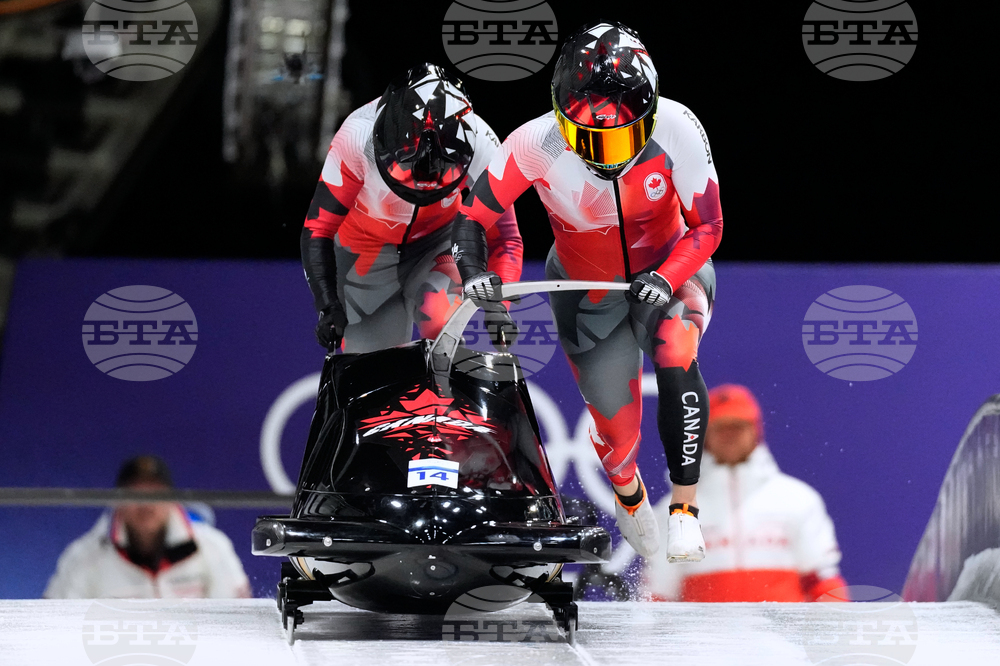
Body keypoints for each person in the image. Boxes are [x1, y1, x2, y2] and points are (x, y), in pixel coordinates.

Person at [451, 21, 721, 563]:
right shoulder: (535, 142)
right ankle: (629, 495)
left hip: (671, 272)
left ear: (647, 117)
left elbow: (708, 228)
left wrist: (666, 277)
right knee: (617, 437)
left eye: (620, 137)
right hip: (587, 292)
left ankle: (686, 511)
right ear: (560, 118)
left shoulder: (679, 128)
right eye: (587, 137)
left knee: (676, 349)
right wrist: (474, 269)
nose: (604, 152)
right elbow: (470, 218)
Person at [302, 62, 522, 354]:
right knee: (376, 369)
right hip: (364, 252)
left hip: (439, 244)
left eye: (437, 178)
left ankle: (449, 389)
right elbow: (318, 229)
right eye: (409, 175)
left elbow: (504, 235)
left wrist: (498, 306)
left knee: (440, 320)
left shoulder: (484, 143)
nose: (422, 188)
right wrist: (327, 305)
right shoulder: (355, 138)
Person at [643, 384, 848, 602]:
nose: (729, 435)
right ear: (703, 435)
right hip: (702, 637)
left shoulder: (797, 499)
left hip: (783, 636)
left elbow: (823, 581)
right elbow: (659, 595)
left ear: (756, 430)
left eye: (738, 426)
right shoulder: (677, 509)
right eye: (720, 427)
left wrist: (839, 630)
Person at [43, 455, 251, 599]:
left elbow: (237, 626)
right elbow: (54, 631)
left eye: (155, 492)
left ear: (172, 499)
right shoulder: (83, 557)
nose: (146, 504)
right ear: (118, 501)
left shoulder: (212, 545)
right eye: (135, 493)